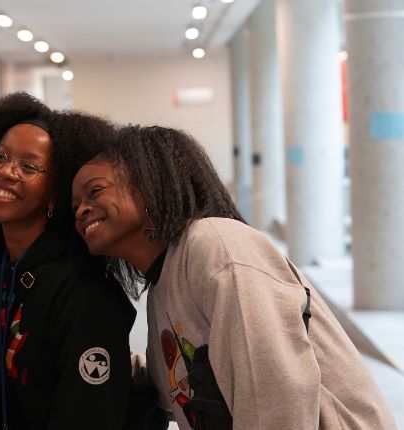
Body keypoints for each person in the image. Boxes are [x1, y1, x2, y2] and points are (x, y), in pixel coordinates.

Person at [71, 125, 396, 429]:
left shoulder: (215, 244)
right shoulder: (162, 283)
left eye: (95, 191)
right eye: (75, 205)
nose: (82, 210)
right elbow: (171, 390)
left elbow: (278, 396)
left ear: (151, 183)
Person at [0, 93, 137, 429]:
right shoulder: (3, 265)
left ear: (57, 191)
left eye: (28, 167)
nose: (5, 171)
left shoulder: (82, 291)